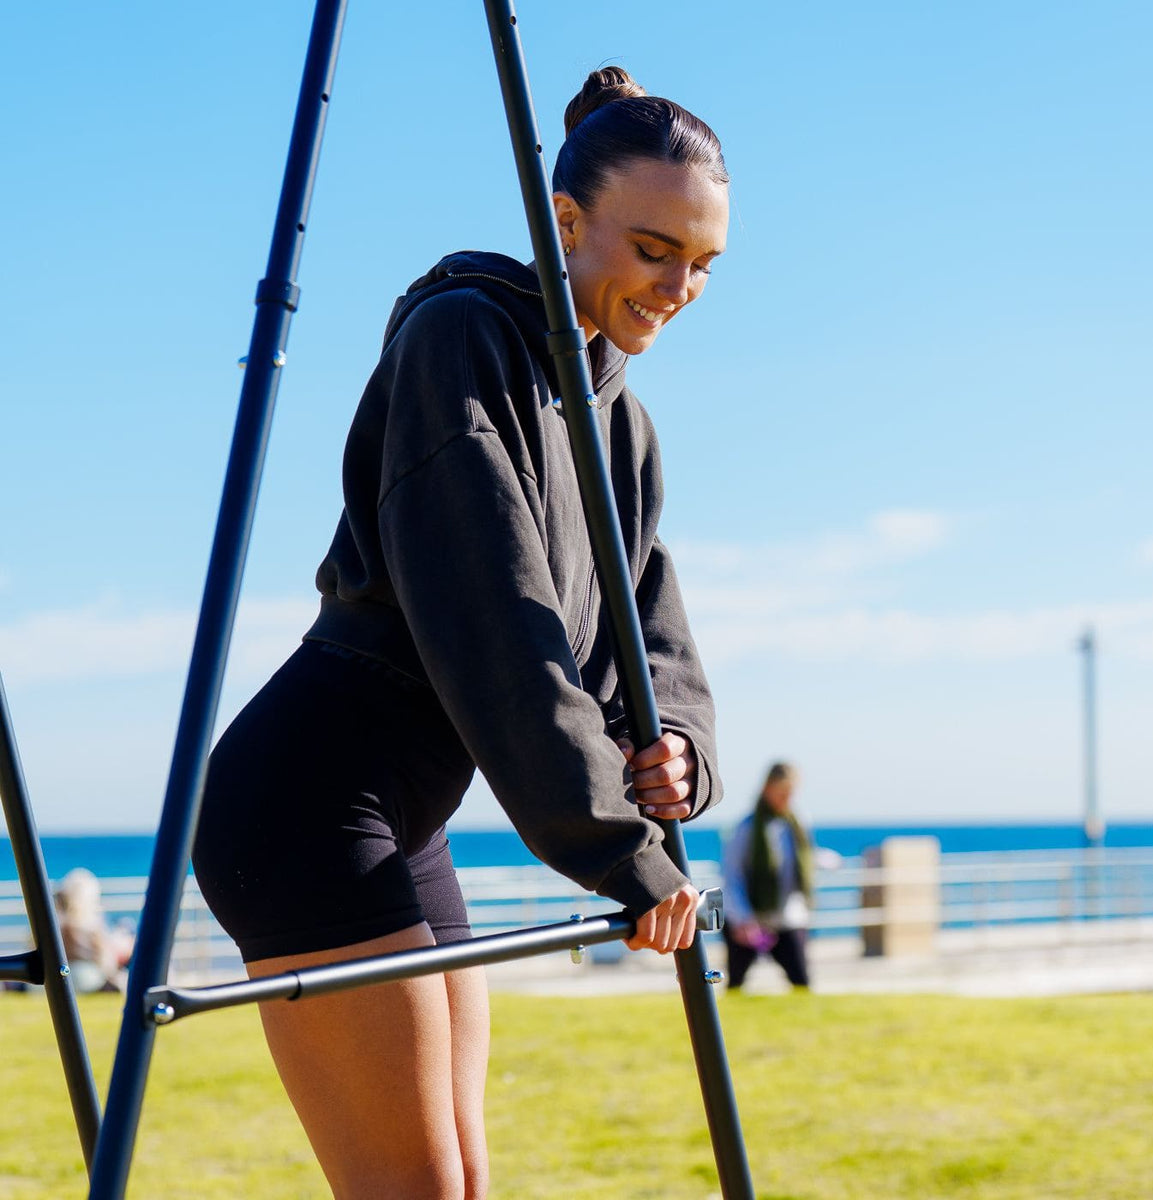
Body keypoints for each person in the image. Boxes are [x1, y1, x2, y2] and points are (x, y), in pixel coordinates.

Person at [192, 66, 729, 1199]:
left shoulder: (617, 422)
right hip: (305, 805)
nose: (678, 285)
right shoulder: (459, 342)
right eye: (653, 250)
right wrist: (620, 855)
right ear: (566, 220)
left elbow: (643, 626)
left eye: (701, 261)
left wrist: (675, 744)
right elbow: (497, 625)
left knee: (461, 1189)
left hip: (409, 821)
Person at [721, 763, 824, 991]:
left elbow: (801, 859)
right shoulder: (747, 828)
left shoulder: (798, 823)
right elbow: (732, 875)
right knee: (736, 984)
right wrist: (743, 918)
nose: (787, 798)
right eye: (782, 791)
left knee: (801, 982)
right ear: (767, 788)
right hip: (749, 918)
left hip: (788, 917)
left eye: (791, 792)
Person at [53, 868, 134, 994]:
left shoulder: (55, 922)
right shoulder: (90, 923)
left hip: (55, 980)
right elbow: (106, 962)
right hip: (86, 981)